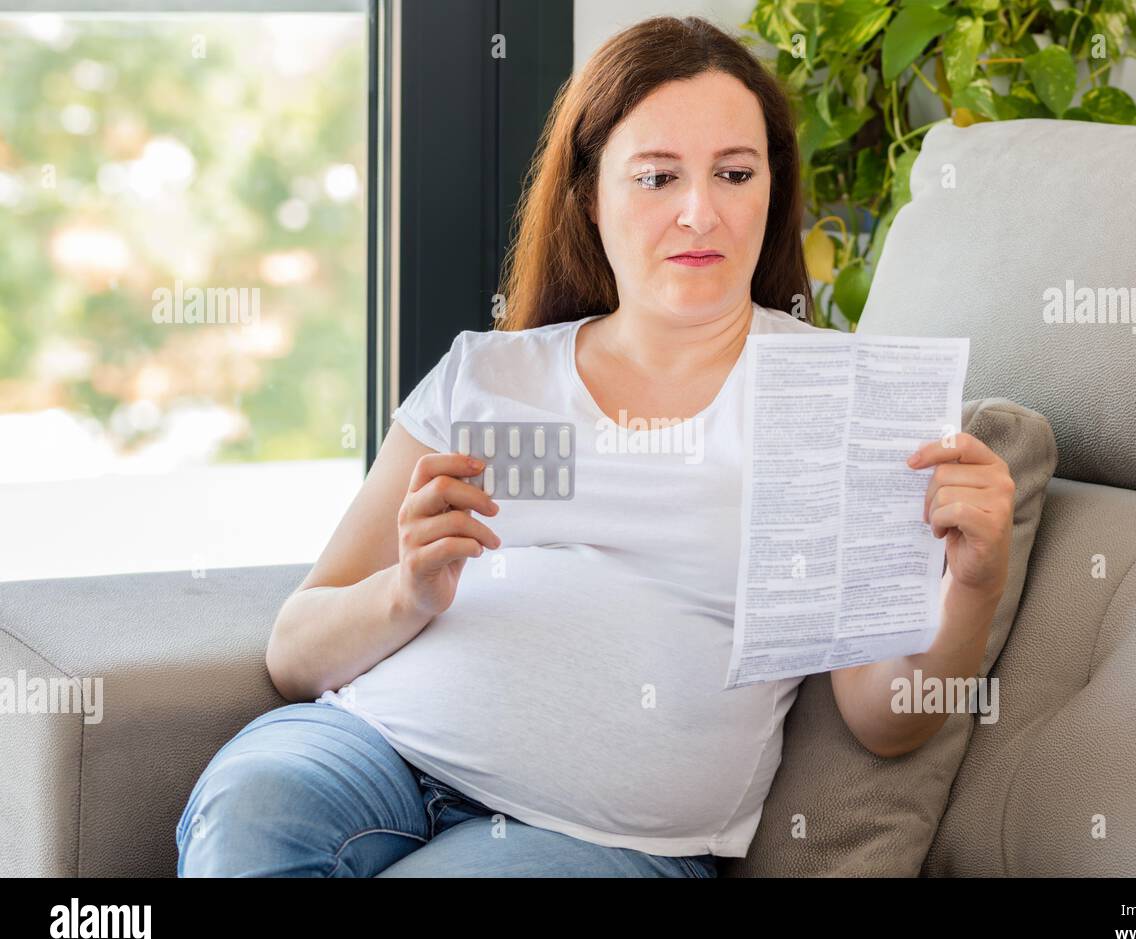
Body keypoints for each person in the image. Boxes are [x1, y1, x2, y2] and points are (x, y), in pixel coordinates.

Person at [176, 15, 1013, 878]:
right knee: (258, 809)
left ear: (773, 189)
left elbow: (887, 718)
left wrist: (975, 584)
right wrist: (408, 592)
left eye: (735, 173)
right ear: (589, 196)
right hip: (372, 746)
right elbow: (293, 652)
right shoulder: (488, 372)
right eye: (657, 177)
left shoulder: (838, 396)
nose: (701, 211)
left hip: (602, 842)